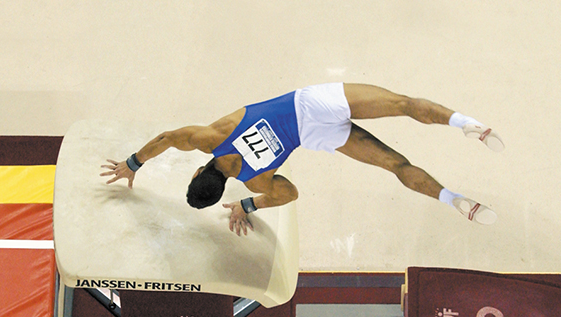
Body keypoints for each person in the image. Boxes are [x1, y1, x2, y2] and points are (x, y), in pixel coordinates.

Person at [101, 83, 504, 236]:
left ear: (224, 185)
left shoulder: (257, 181)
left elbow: (290, 193)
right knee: (402, 104)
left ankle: (454, 200)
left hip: (317, 136)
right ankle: (466, 123)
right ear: (198, 169)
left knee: (395, 165)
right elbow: (168, 138)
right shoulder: (211, 138)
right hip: (313, 103)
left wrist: (247, 204)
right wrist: (132, 163)